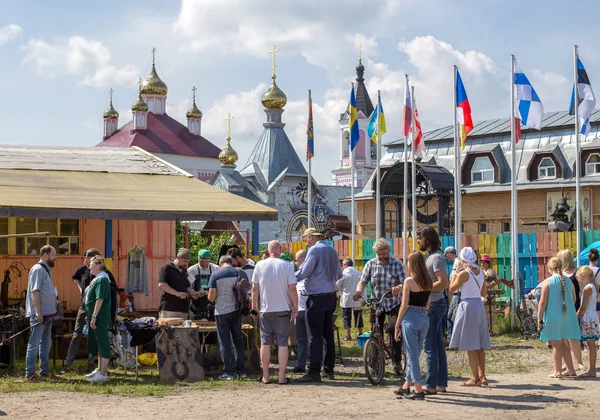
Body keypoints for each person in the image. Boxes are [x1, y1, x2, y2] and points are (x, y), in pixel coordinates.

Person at [295, 228, 343, 383]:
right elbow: (339, 274)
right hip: (331, 296)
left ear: (310, 237)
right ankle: (329, 369)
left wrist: (289, 277)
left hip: (317, 297)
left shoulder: (314, 251)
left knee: (314, 335)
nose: (305, 241)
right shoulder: (332, 250)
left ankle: (314, 371)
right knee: (327, 333)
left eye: (305, 238)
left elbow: (303, 273)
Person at [356, 238, 406, 375]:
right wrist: (358, 292)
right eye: (380, 254)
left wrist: (398, 288)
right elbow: (363, 281)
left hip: (394, 303)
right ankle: (375, 362)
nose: (382, 256)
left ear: (389, 252)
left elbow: (405, 284)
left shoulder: (397, 264)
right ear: (376, 253)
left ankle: (397, 361)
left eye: (385, 253)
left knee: (393, 328)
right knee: (375, 331)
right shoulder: (371, 264)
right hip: (376, 303)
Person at [251, 241, 298, 385]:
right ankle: (281, 377)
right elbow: (292, 289)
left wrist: (254, 307)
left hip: (266, 310)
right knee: (283, 343)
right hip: (283, 309)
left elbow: (254, 289)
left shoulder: (259, 265)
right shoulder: (287, 265)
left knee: (265, 343)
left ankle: (265, 376)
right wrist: (295, 307)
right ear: (279, 250)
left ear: (268, 250)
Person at [63, 248, 116, 373]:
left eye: (90, 258)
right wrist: (81, 289)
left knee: (95, 337)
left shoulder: (105, 275)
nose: (87, 260)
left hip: (97, 311)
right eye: (86, 257)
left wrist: (107, 313)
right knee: (77, 334)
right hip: (84, 307)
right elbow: (75, 277)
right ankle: (68, 364)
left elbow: (107, 295)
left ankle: (92, 365)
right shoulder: (83, 270)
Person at [449, 247, 491, 387]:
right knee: (479, 344)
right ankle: (482, 376)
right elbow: (484, 293)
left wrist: (456, 271)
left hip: (467, 306)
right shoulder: (480, 272)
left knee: (471, 345)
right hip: (478, 305)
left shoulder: (464, 273)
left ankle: (474, 378)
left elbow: (451, 288)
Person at [394, 252, 432, 400]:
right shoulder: (428, 280)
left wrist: (397, 325)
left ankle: (417, 389)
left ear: (412, 264)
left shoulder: (409, 281)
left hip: (410, 317)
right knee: (415, 353)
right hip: (424, 317)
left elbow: (403, 306)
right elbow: (428, 304)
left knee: (412, 355)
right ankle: (406, 385)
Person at [417, 227, 449, 394]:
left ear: (427, 239)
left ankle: (430, 385)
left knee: (429, 346)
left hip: (434, 305)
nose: (417, 241)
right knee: (437, 346)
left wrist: (424, 289)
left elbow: (443, 283)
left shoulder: (436, 258)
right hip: (436, 304)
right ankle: (441, 383)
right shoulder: (433, 257)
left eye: (419, 238)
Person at [538, 257, 580, 379]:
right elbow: (574, 299)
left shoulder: (548, 282)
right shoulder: (568, 281)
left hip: (553, 316)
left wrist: (539, 317)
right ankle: (570, 369)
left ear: (550, 268)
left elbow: (542, 302)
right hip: (567, 316)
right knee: (563, 343)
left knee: (555, 344)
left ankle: (557, 371)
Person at [207, 255, 248, 380]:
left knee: (225, 342)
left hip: (221, 312)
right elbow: (247, 292)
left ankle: (229, 373)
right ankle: (242, 372)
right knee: (238, 341)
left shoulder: (215, 275)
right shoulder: (241, 272)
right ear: (232, 262)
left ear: (220, 264)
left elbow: (211, 297)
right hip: (237, 311)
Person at [25, 245, 58, 382]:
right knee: (34, 343)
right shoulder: (38, 269)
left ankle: (44, 371)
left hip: (48, 314)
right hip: (40, 314)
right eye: (53, 255)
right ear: (45, 255)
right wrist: (38, 312)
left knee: (45, 343)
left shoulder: (46, 270)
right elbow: (35, 291)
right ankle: (30, 374)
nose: (55, 258)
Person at [85, 256, 113, 383]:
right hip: (95, 316)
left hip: (100, 317)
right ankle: (99, 369)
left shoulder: (102, 280)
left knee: (103, 342)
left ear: (99, 265)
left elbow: (99, 299)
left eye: (91, 264)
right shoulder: (98, 279)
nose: (89, 266)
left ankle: (103, 373)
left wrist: (94, 316)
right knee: (98, 342)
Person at [557, 249, 584, 371]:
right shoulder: (560, 273)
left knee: (573, 337)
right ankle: (568, 363)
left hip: (575, 307)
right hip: (562, 308)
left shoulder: (577, 272)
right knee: (564, 337)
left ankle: (579, 362)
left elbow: (582, 292)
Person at [576, 266, 599, 378]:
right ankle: (591, 369)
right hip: (593, 317)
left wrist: (576, 316)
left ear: (584, 276)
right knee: (591, 344)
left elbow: (583, 307)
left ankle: (591, 370)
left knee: (590, 345)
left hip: (588, 318)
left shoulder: (587, 289)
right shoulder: (593, 287)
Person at [158, 248, 193, 319]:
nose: (186, 264)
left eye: (188, 262)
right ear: (178, 258)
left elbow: (187, 287)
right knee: (167, 330)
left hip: (183, 311)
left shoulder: (184, 272)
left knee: (183, 330)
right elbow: (162, 284)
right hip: (169, 310)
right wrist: (177, 293)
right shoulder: (166, 268)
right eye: (185, 261)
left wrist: (194, 293)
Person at [187, 249, 219, 320]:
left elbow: (220, 286)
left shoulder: (216, 269)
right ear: (198, 260)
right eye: (202, 262)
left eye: (206, 262)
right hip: (197, 305)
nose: (204, 264)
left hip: (212, 304)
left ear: (209, 260)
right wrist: (194, 294)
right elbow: (189, 286)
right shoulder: (191, 270)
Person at [337, 258, 364, 340]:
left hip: (346, 298)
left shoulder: (342, 274)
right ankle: (360, 333)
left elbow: (338, 285)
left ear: (345, 265)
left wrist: (339, 294)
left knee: (346, 316)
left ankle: (348, 335)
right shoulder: (358, 273)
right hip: (357, 297)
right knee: (358, 315)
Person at [294, 249, 309, 373]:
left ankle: (315, 363)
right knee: (301, 339)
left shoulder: (311, 272)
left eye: (297, 260)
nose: (296, 262)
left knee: (312, 338)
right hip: (299, 310)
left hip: (309, 310)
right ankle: (301, 364)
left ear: (303, 259)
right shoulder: (297, 274)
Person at [445, 246, 460, 342]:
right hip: (458, 293)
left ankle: (452, 339)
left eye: (447, 255)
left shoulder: (456, 263)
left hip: (457, 293)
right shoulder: (459, 261)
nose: (447, 258)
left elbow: (454, 280)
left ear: (450, 254)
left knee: (450, 317)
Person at [480, 254, 499, 332]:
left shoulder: (491, 271)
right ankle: (485, 328)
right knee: (484, 310)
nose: (482, 264)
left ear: (488, 263)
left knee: (489, 311)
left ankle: (489, 329)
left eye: (484, 262)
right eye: (481, 262)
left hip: (490, 293)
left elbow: (497, 280)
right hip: (483, 293)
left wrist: (488, 286)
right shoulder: (482, 271)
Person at [588, 248, 600, 319]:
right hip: (596, 295)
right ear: (597, 259)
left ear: (588, 259)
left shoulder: (583, 269)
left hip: (585, 294)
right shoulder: (599, 271)